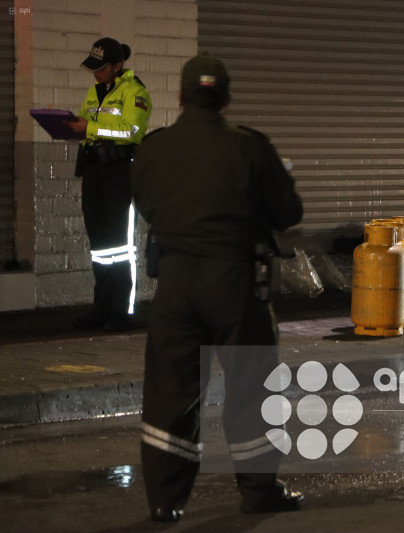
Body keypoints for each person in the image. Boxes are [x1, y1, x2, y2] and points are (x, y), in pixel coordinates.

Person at [131, 54, 304, 520]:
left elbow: (146, 205)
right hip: (235, 282)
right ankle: (257, 492)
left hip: (175, 282)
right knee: (250, 387)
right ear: (225, 98)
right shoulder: (250, 147)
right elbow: (288, 213)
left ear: (182, 97)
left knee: (171, 392)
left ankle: (166, 501)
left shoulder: (154, 148)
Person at [66, 37, 151, 331]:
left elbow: (131, 130)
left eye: (101, 68)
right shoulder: (95, 91)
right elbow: (90, 123)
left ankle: (121, 312)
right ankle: (101, 309)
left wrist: (88, 127)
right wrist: (74, 125)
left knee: (120, 245)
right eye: (93, 68)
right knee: (100, 246)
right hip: (94, 171)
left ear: (117, 66)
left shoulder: (135, 92)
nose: (95, 73)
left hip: (119, 173)